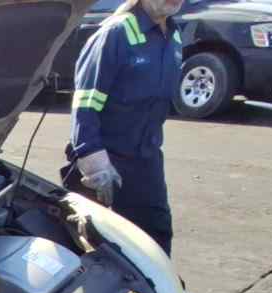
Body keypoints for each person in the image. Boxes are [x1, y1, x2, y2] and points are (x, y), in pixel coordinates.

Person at [62, 0, 183, 256]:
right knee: (93, 246)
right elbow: (85, 104)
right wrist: (93, 161)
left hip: (146, 161)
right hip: (105, 161)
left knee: (155, 239)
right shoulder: (115, 33)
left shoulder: (173, 36)